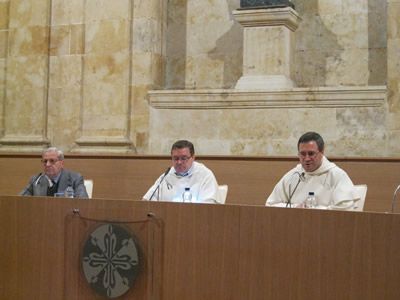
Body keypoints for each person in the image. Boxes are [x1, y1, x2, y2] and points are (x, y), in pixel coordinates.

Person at [266, 132, 358, 210]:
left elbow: (346, 209)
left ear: (322, 152)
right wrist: (295, 208)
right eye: (302, 154)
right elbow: (270, 205)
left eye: (311, 153)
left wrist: (314, 211)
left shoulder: (337, 175)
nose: (306, 158)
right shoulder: (294, 175)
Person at [143, 140, 220, 203]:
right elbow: (147, 200)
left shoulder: (205, 175)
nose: (179, 162)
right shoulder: (167, 175)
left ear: (193, 158)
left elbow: (209, 206)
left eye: (183, 158)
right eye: (175, 158)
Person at [20, 147, 88, 198]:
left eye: (52, 161)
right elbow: (20, 200)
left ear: (61, 163)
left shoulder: (75, 178)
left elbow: (83, 201)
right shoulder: (36, 179)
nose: (47, 164)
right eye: (45, 161)